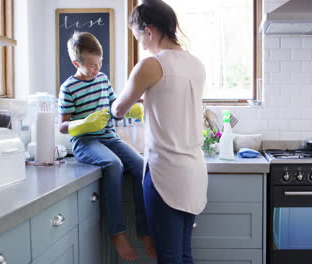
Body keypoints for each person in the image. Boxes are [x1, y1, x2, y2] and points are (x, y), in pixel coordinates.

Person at [110, 0, 208, 263]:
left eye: (139, 37)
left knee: (168, 257)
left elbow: (119, 108)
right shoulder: (196, 64)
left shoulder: (151, 65)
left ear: (149, 31)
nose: (141, 44)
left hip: (165, 173)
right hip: (194, 171)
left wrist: (114, 106)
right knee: (184, 254)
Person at [57, 31, 155, 261]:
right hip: (85, 141)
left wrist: (128, 109)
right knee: (113, 164)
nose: (97, 69)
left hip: (109, 137)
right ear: (76, 63)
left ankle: (144, 230)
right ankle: (117, 233)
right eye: (91, 65)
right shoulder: (68, 88)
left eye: (100, 63)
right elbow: (62, 127)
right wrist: (83, 123)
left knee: (141, 164)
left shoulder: (102, 79)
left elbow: (114, 107)